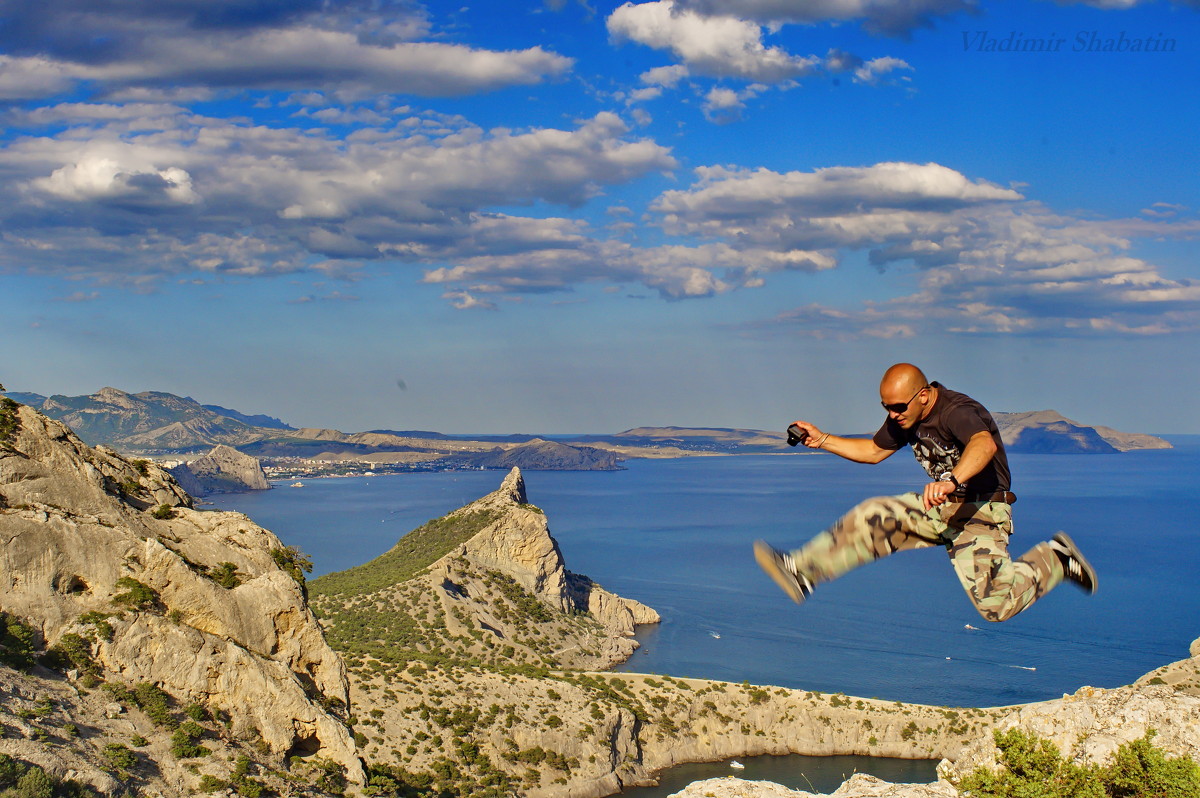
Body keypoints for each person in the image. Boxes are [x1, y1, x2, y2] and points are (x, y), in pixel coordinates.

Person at [754, 363, 1097, 622]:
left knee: (996, 607)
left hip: (981, 511)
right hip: (941, 507)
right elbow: (873, 451)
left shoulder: (957, 411)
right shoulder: (905, 416)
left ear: (923, 396)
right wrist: (823, 440)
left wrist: (951, 479)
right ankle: (802, 571)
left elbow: (984, 445)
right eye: (886, 407)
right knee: (876, 516)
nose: (892, 414)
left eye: (899, 407)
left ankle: (1056, 558)